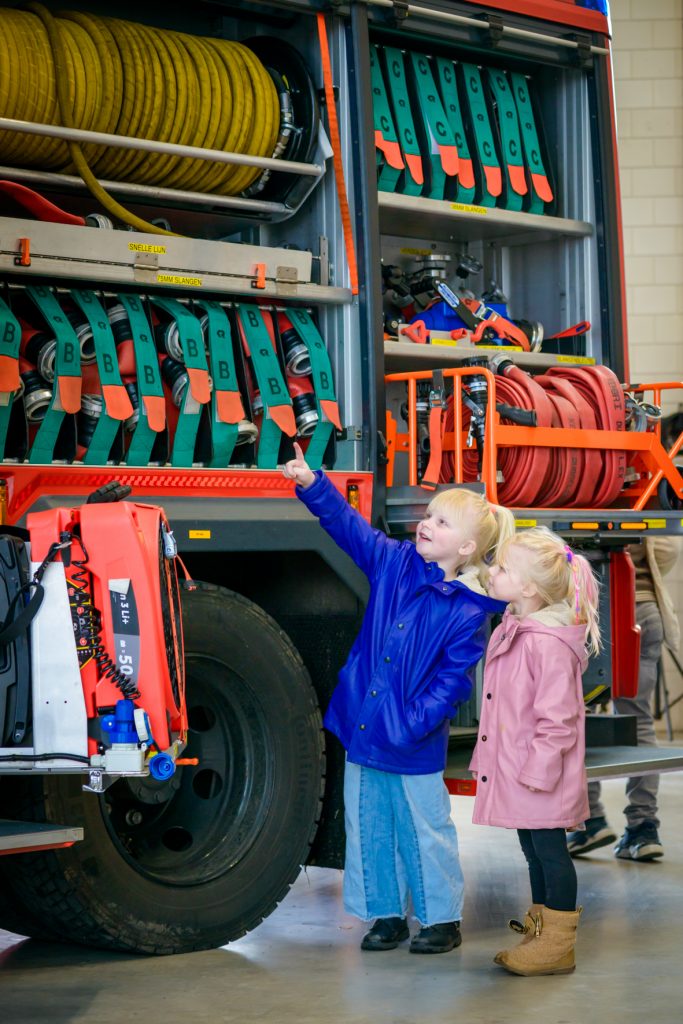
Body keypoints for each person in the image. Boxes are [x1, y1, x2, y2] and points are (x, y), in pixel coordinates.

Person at [283, 442, 514, 954]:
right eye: (428, 516)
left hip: (411, 741)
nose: (426, 524)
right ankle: (385, 916)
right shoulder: (394, 562)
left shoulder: (469, 611)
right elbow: (349, 528)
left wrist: (412, 723)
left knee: (425, 829)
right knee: (369, 827)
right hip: (364, 729)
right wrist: (313, 484)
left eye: (442, 523)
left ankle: (441, 920)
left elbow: (453, 682)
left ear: (467, 549)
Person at [470, 526, 601, 976]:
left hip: (541, 776)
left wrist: (539, 773)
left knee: (550, 852)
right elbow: (500, 711)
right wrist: (487, 762)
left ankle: (558, 946)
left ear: (528, 588)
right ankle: (541, 933)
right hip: (521, 771)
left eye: (503, 568)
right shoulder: (515, 629)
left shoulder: (546, 644)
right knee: (533, 851)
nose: (492, 572)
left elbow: (558, 720)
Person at [567, 537, 681, 861]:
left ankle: (589, 821)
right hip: (642, 608)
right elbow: (669, 549)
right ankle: (644, 829)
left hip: (587, 610)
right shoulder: (637, 510)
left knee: (578, 715)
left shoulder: (577, 508)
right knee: (640, 720)